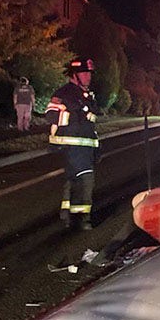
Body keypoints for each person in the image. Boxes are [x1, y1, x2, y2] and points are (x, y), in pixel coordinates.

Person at [47, 58, 100, 230]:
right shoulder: (64, 94)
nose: (88, 77)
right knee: (85, 179)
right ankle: (83, 218)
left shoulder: (86, 95)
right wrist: (74, 116)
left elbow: (90, 123)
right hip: (71, 146)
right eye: (84, 73)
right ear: (74, 75)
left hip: (85, 147)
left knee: (73, 180)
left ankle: (68, 215)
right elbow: (51, 114)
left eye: (89, 73)